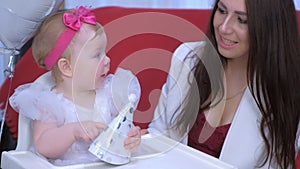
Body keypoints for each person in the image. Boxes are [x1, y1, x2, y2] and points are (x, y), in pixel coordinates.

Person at [148, 0, 300, 168]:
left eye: (242, 20)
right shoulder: (187, 58)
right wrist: (135, 143)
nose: (224, 28)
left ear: (271, 27)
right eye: (222, 11)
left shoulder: (287, 92)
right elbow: (158, 138)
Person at [9, 6, 141, 166]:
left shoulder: (109, 94)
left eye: (104, 52)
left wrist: (130, 139)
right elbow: (42, 145)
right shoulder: (50, 103)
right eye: (97, 55)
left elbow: (118, 131)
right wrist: (72, 131)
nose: (107, 60)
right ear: (67, 67)